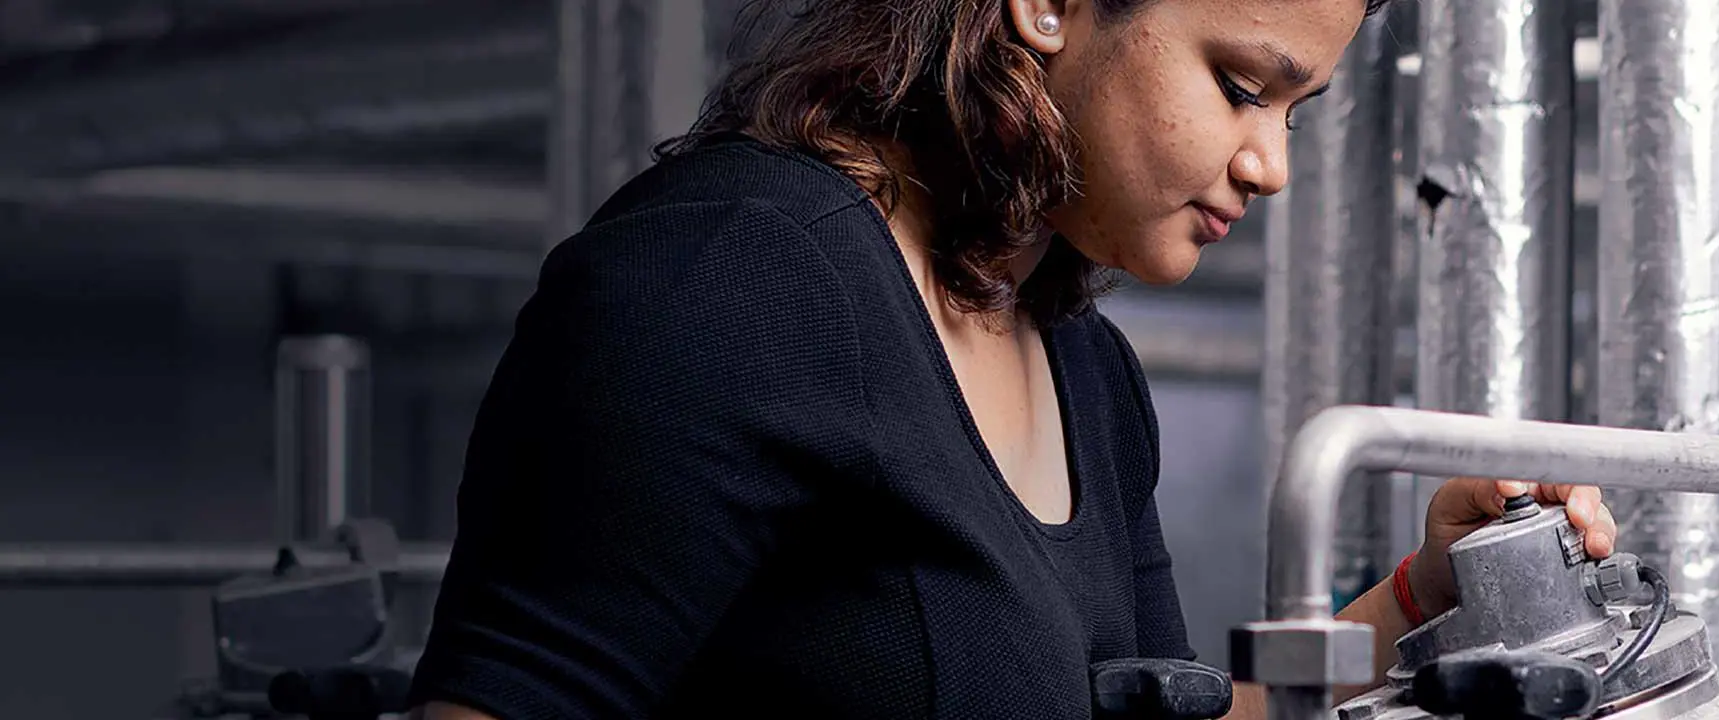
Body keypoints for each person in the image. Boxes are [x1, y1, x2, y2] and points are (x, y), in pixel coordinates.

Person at [408, 0, 1620, 718]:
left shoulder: (1088, 370)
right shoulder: (735, 276)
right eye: (1242, 86)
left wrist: (1425, 591)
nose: (1271, 164)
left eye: (1292, 116)